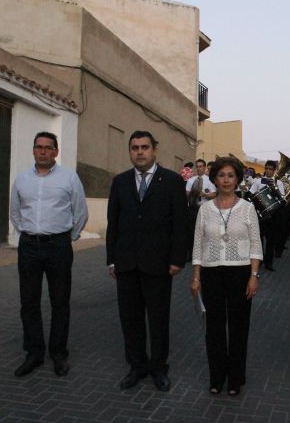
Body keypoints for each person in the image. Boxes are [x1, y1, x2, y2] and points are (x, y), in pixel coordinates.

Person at [106, 130, 187, 391]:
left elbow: (180, 225)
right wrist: (111, 260)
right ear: (130, 151)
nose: (139, 152)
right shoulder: (120, 182)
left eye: (144, 147)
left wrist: (177, 259)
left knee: (158, 319)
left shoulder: (173, 181)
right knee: (130, 319)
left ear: (154, 150)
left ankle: (158, 368)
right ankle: (136, 366)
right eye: (134, 148)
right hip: (127, 264)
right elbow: (113, 224)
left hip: (159, 264)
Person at [10, 131, 88, 377]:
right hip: (29, 247)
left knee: (60, 302)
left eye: (48, 147)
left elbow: (81, 212)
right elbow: (15, 211)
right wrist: (25, 234)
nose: (43, 151)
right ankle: (34, 353)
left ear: (55, 151)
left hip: (59, 246)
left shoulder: (69, 178)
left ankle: (58, 354)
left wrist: (68, 238)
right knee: (29, 302)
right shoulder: (22, 179)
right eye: (38, 147)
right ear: (33, 150)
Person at [190, 157, 263, 397]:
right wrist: (196, 276)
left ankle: (235, 377)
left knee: (239, 327)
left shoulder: (247, 208)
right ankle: (217, 376)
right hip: (211, 274)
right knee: (214, 328)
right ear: (214, 179)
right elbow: (198, 245)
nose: (226, 180)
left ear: (238, 179)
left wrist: (254, 275)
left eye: (231, 175)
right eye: (222, 175)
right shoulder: (205, 209)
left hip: (240, 273)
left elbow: (255, 244)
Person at [250, 160, 285, 271]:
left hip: (273, 215)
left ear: (274, 171)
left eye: (271, 169)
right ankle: (259, 261)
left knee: (271, 240)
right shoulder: (258, 181)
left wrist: (275, 187)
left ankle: (268, 262)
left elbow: (282, 198)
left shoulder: (278, 183)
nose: (268, 171)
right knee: (259, 239)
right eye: (267, 169)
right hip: (260, 215)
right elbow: (251, 194)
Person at [186, 159, 217, 261]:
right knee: (191, 232)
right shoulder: (191, 180)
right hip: (192, 208)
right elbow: (186, 193)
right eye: (197, 166)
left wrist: (204, 195)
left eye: (201, 166)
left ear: (204, 168)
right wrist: (191, 193)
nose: (199, 168)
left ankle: (204, 254)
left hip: (204, 208)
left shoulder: (209, 180)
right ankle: (191, 254)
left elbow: (214, 194)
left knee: (204, 232)